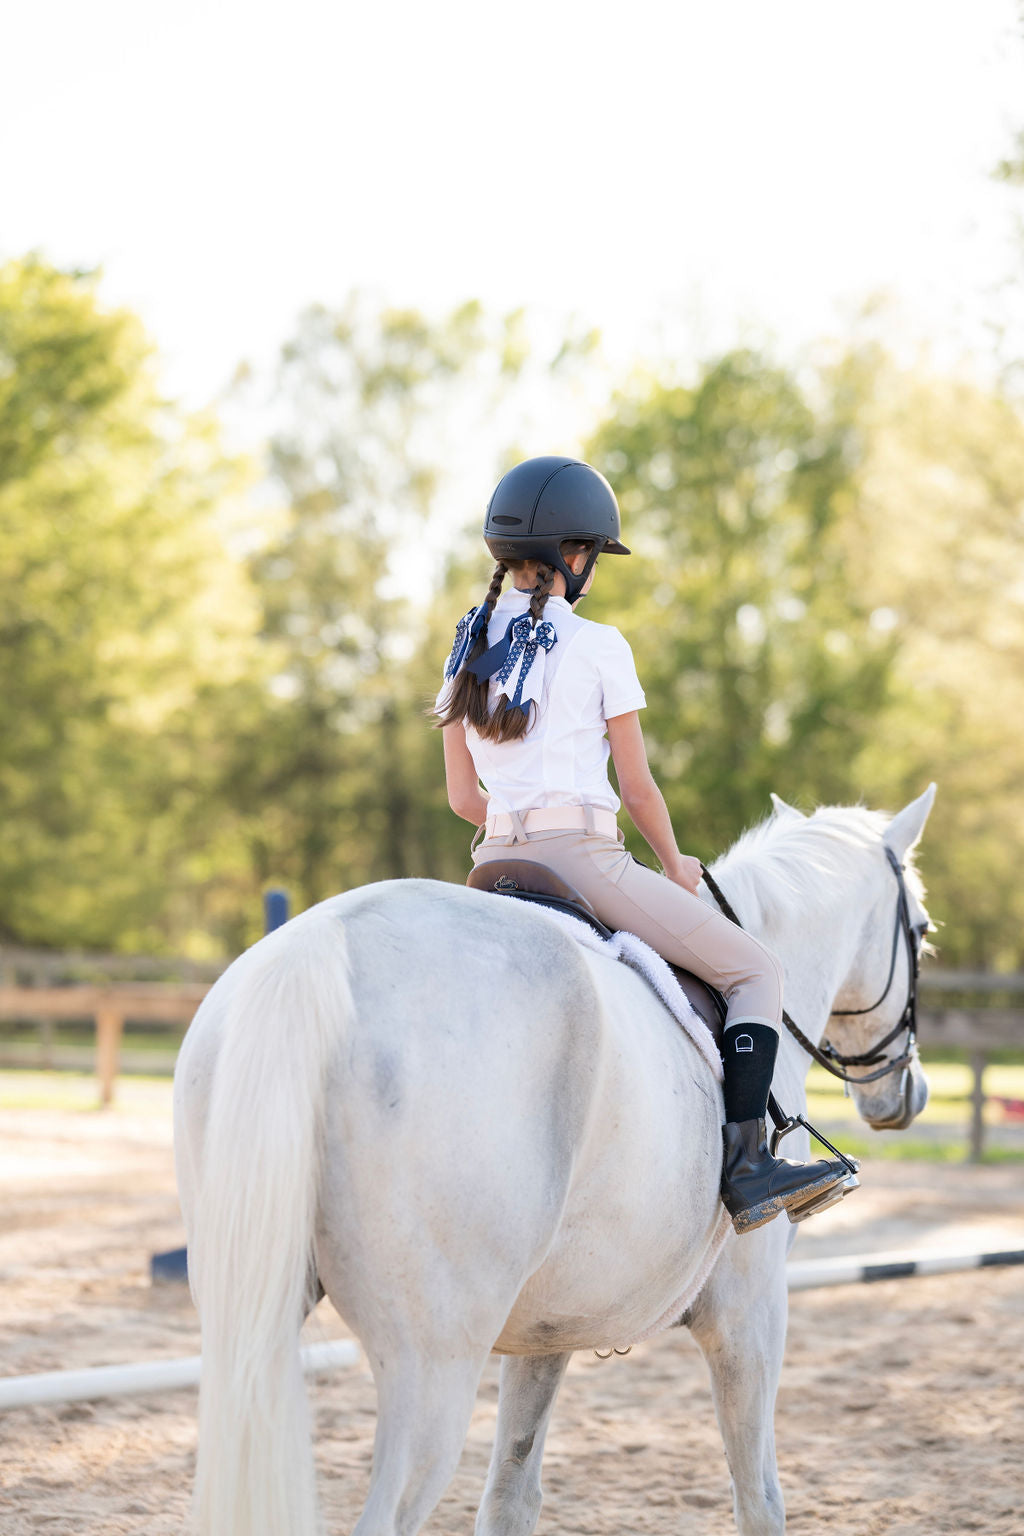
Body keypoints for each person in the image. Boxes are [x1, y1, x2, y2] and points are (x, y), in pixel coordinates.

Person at [434, 454, 852, 1234]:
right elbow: (638, 789)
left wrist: (510, 822)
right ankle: (750, 1166)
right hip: (584, 862)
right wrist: (674, 866)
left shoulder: (467, 649)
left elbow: (464, 799)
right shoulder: (599, 646)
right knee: (757, 970)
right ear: (577, 555)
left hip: (491, 866)